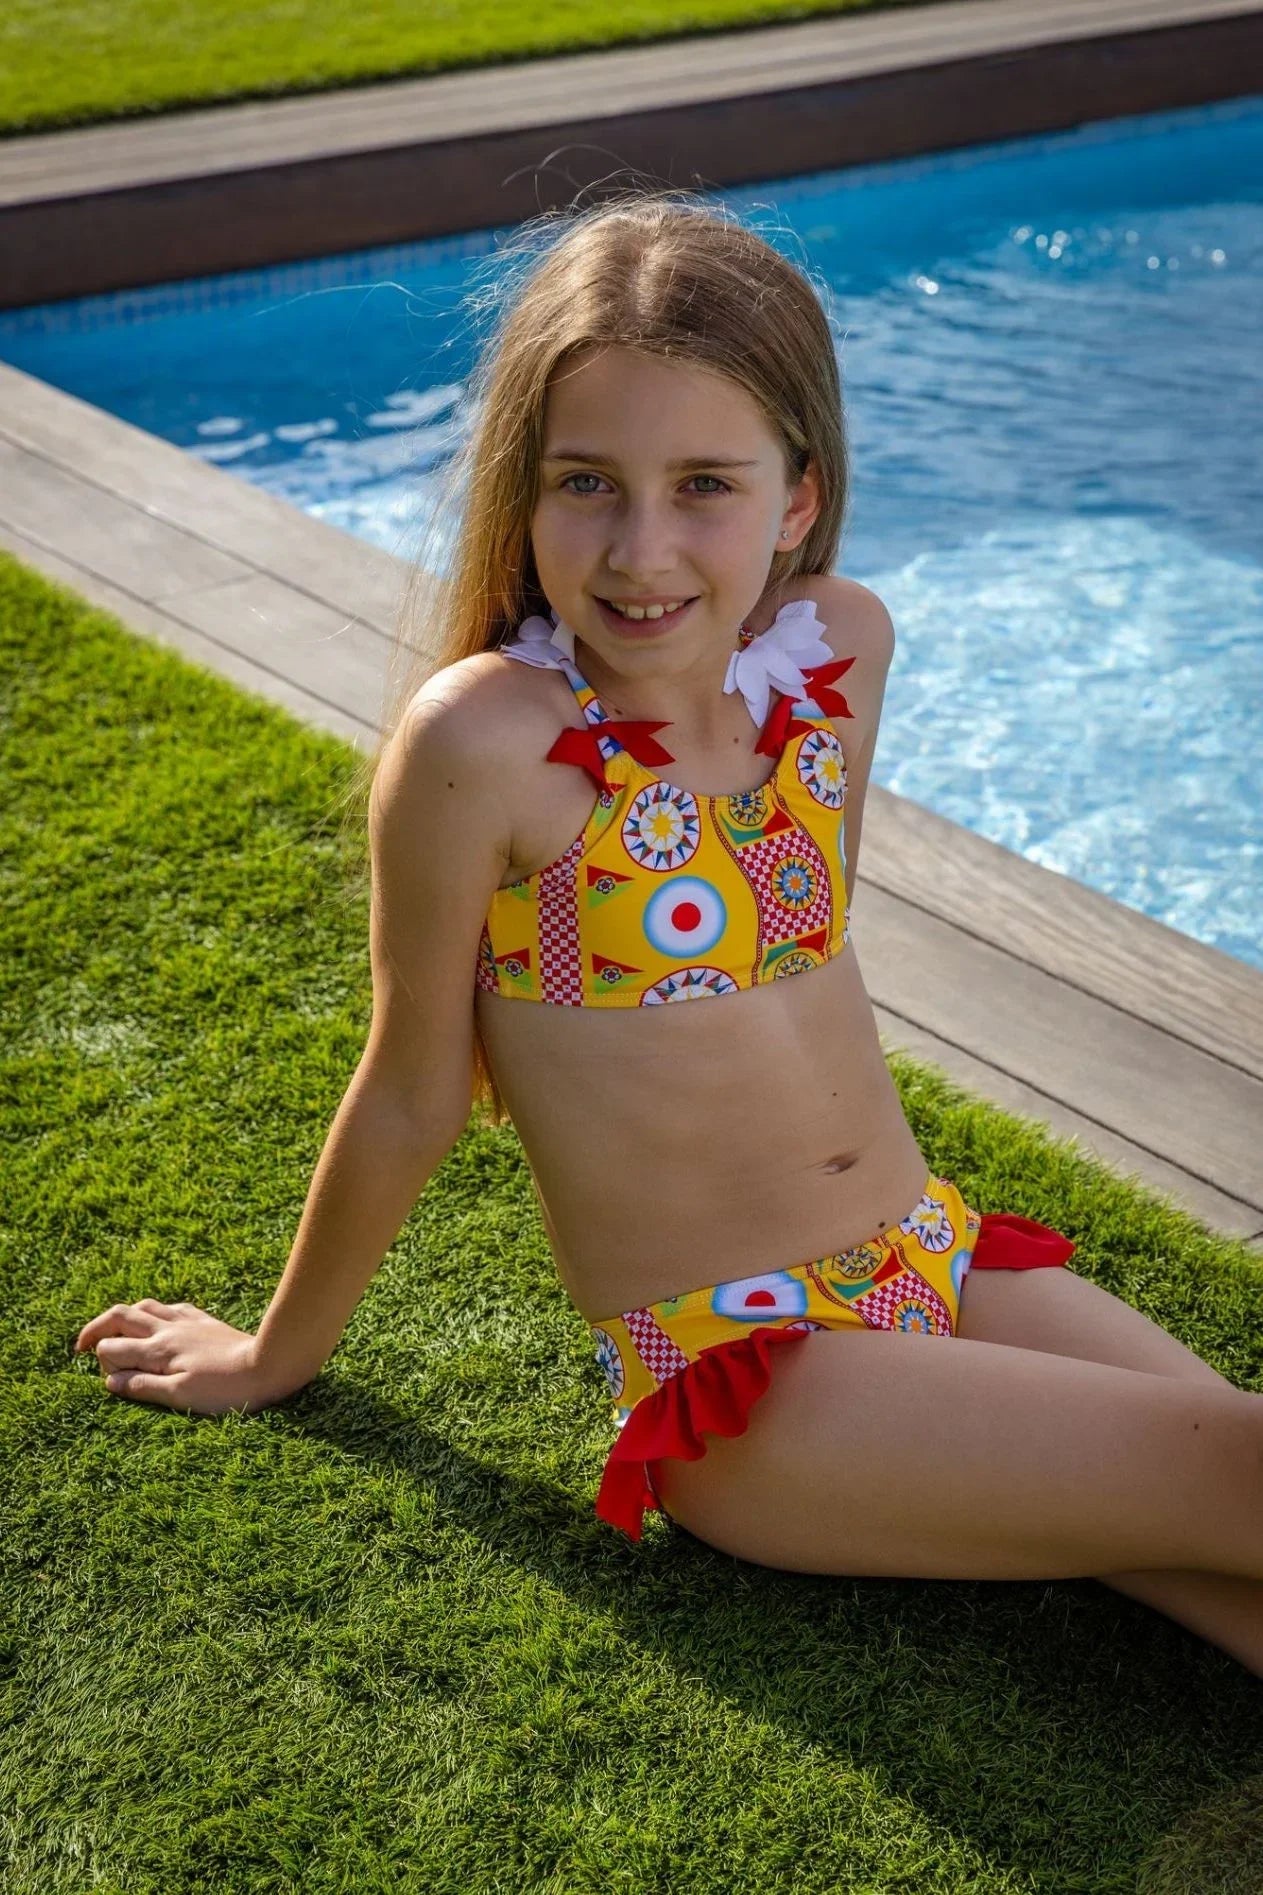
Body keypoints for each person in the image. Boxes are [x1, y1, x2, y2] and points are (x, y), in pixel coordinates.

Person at [74, 192, 1263, 1675]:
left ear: (800, 498)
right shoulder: (488, 746)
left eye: (706, 482)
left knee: (1233, 1565)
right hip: (753, 1373)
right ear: (522, 493)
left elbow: (794, 958)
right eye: (587, 483)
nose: (642, 551)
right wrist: (270, 1355)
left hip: (935, 1261)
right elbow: (409, 1091)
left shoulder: (837, 659)